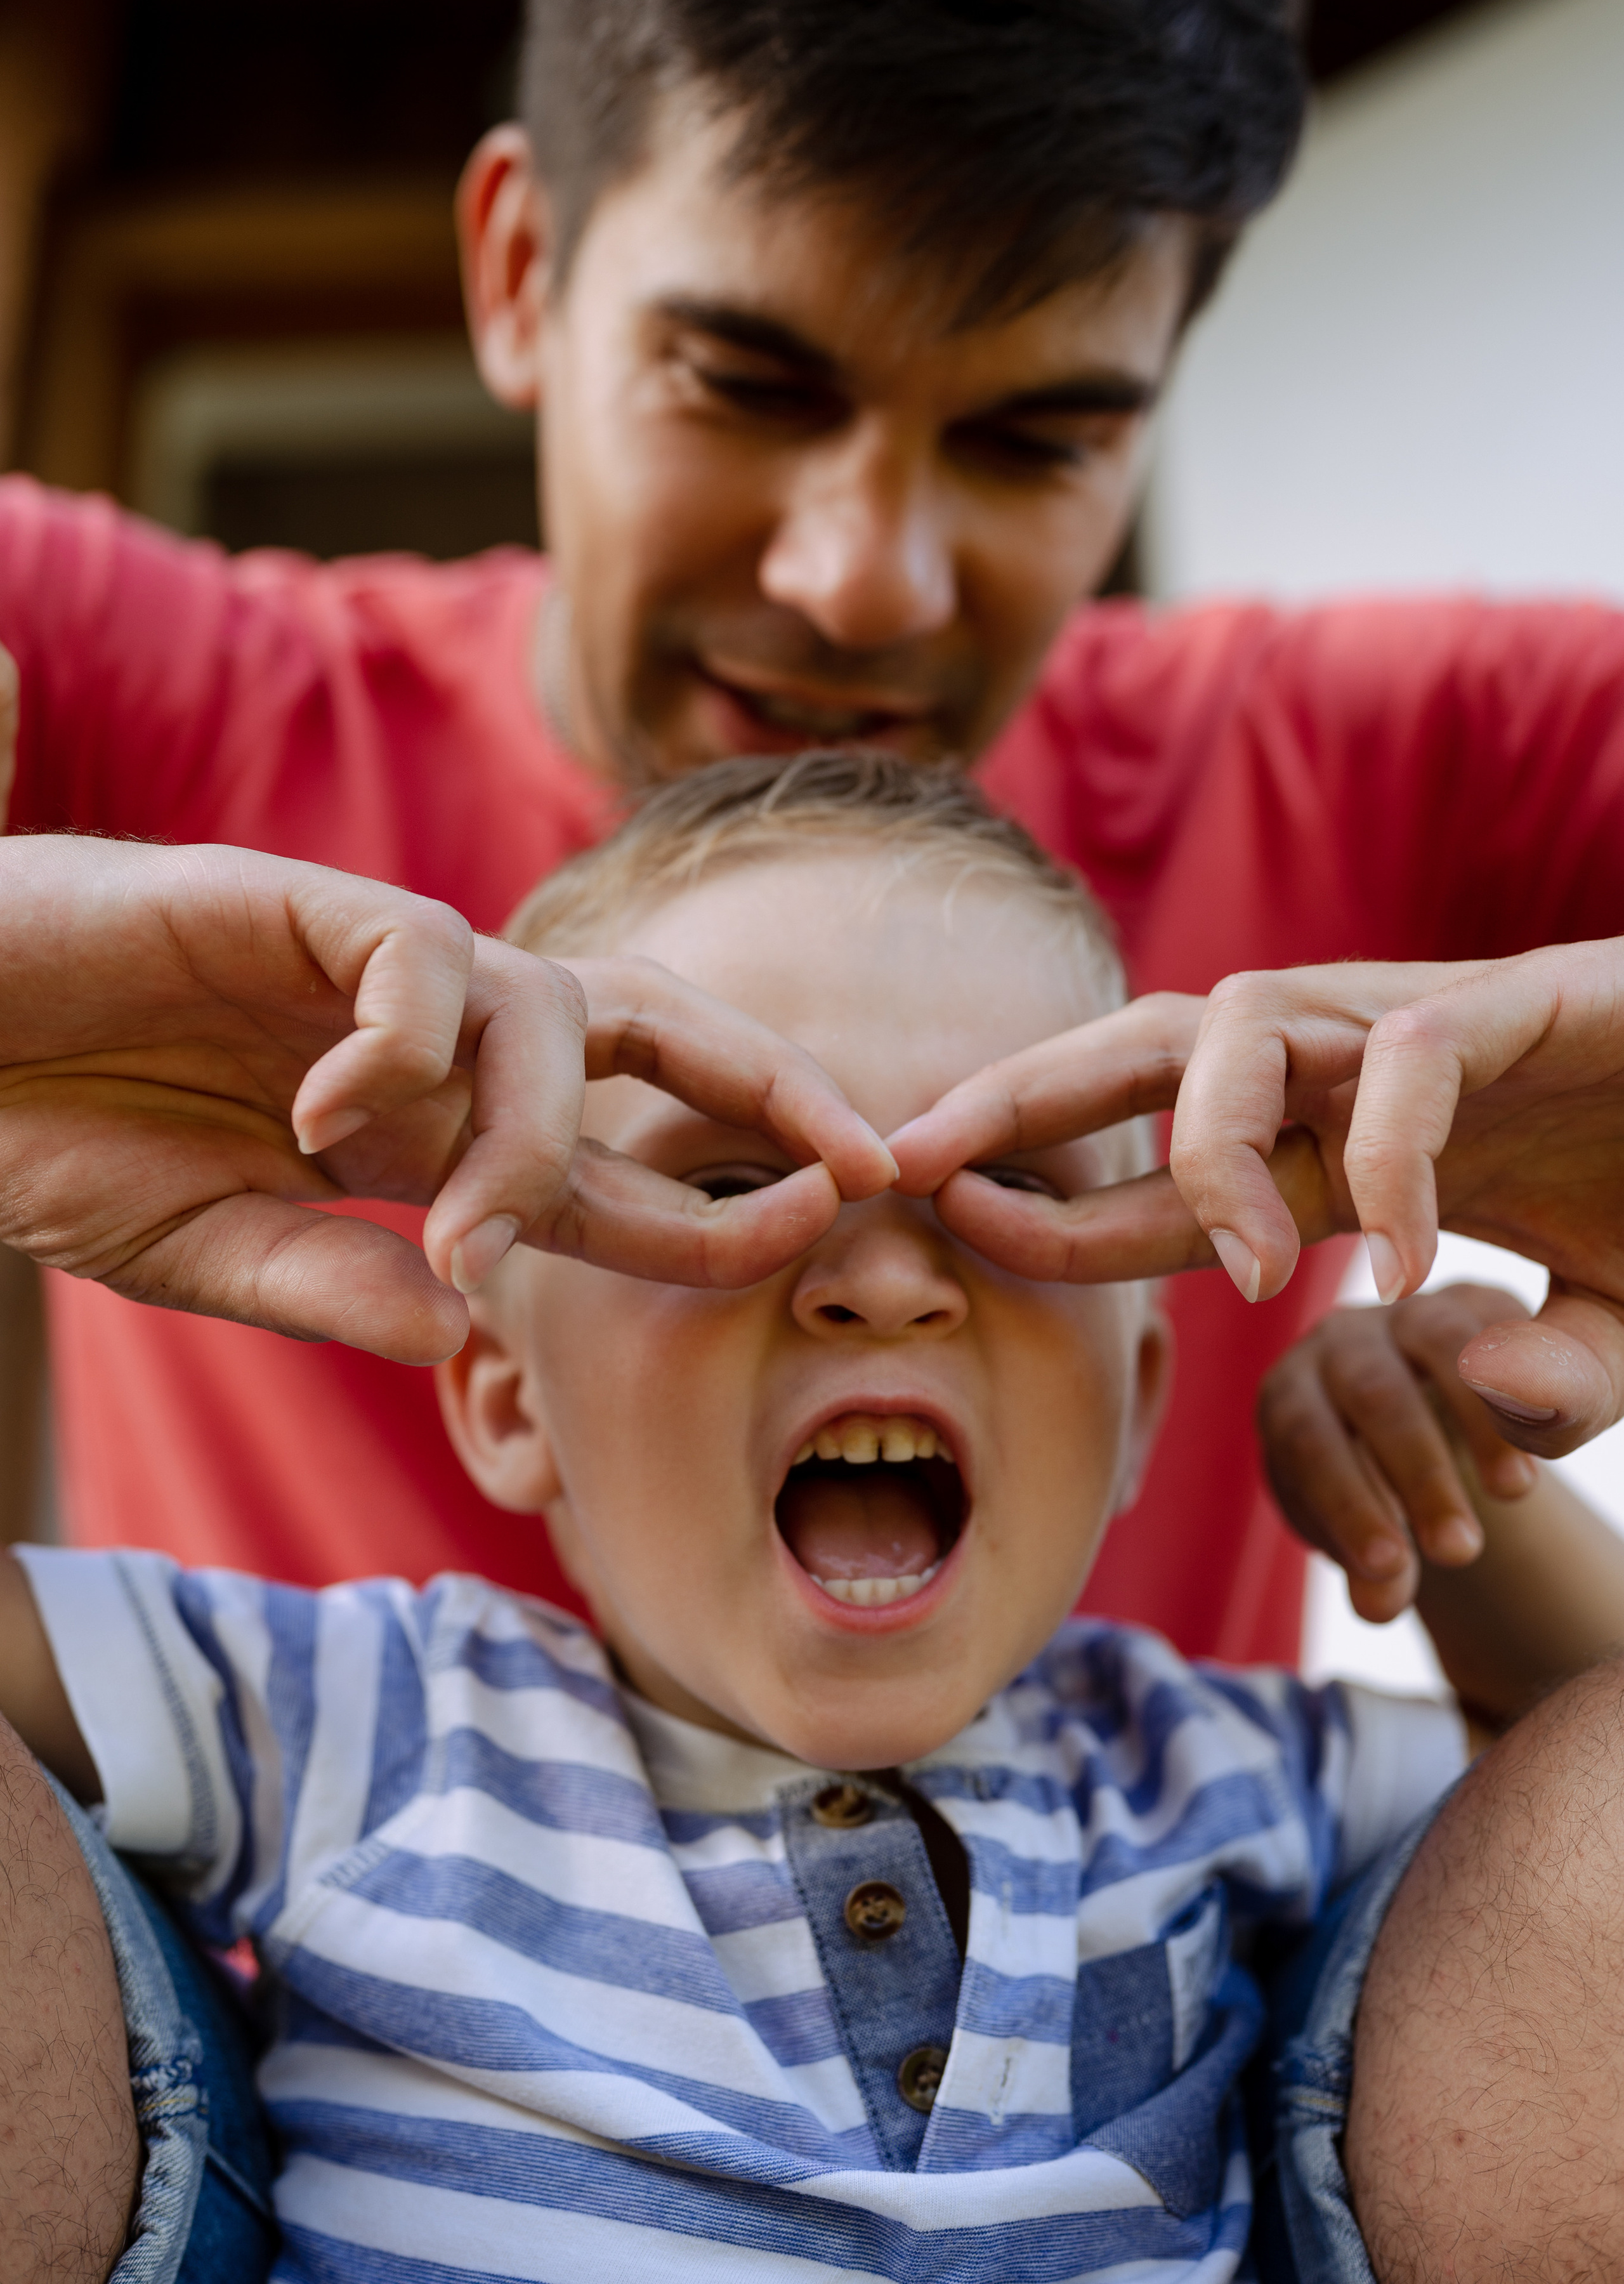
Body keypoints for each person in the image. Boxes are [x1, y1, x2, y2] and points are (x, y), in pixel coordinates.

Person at [10, 0, 1624, 1669]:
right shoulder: (141, 686)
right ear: (522, 269)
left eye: (1032, 440)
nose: (863, 582)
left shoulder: (1388, 758)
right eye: (751, 387)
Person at [6, 752, 1624, 2284]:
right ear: (511, 1401)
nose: (882, 1280)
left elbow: (1571, 1829)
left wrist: (1468, 1490)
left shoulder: (1193, 1766)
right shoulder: (374, 1719)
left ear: (1136, 1409)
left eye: (1021, 1195)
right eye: (724, 1189)